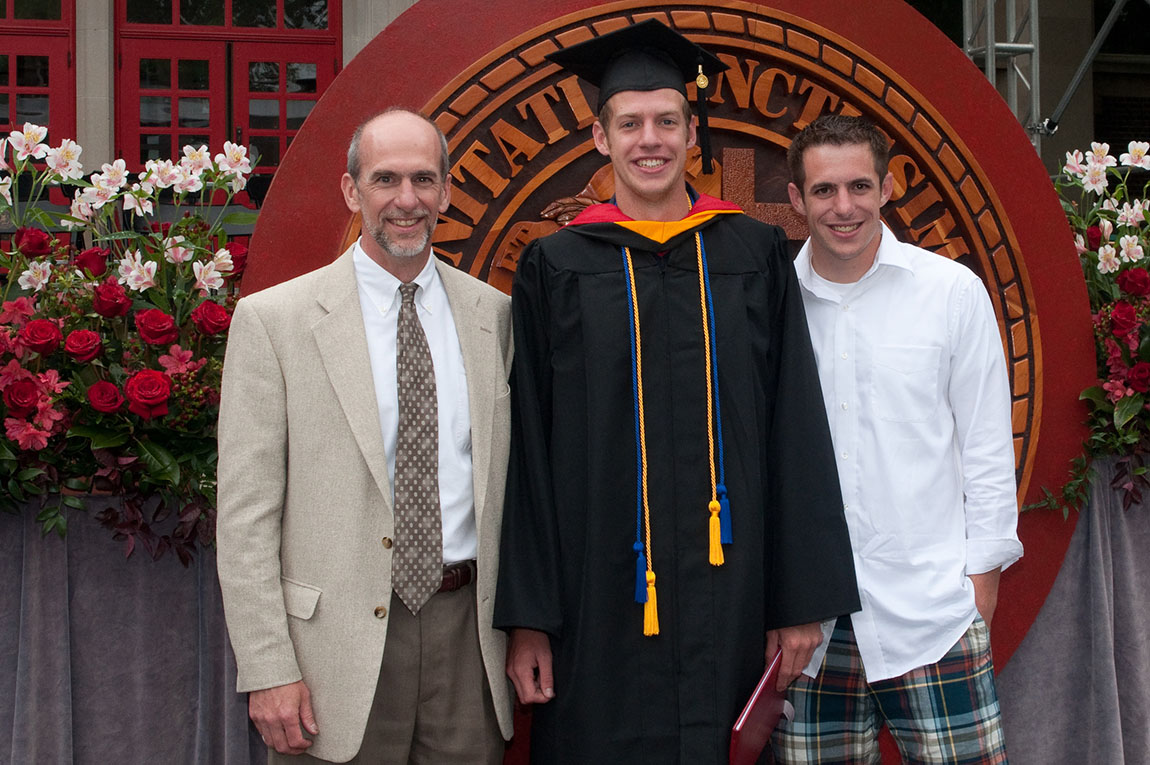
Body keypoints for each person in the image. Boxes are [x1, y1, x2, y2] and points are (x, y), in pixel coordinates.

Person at [494, 20, 860, 764]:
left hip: (730, 588)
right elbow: (528, 447)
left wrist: (799, 604)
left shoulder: (752, 254)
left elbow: (795, 426)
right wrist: (528, 620)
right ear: (600, 138)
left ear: (693, 134)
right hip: (594, 596)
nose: (649, 140)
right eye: (629, 124)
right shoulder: (555, 267)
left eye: (667, 121)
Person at [216, 109, 513, 764]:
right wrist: (267, 666)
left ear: (445, 191)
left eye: (423, 179)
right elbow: (245, 518)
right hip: (332, 651)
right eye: (385, 179)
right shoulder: (274, 322)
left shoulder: (493, 316)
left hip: (467, 638)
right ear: (352, 191)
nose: (406, 200)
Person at [773, 114, 1023, 764]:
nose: (844, 206)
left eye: (860, 186)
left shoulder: (950, 294)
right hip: (811, 624)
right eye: (824, 190)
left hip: (932, 612)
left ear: (888, 188)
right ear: (797, 199)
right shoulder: (771, 307)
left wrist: (979, 590)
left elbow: (989, 452)